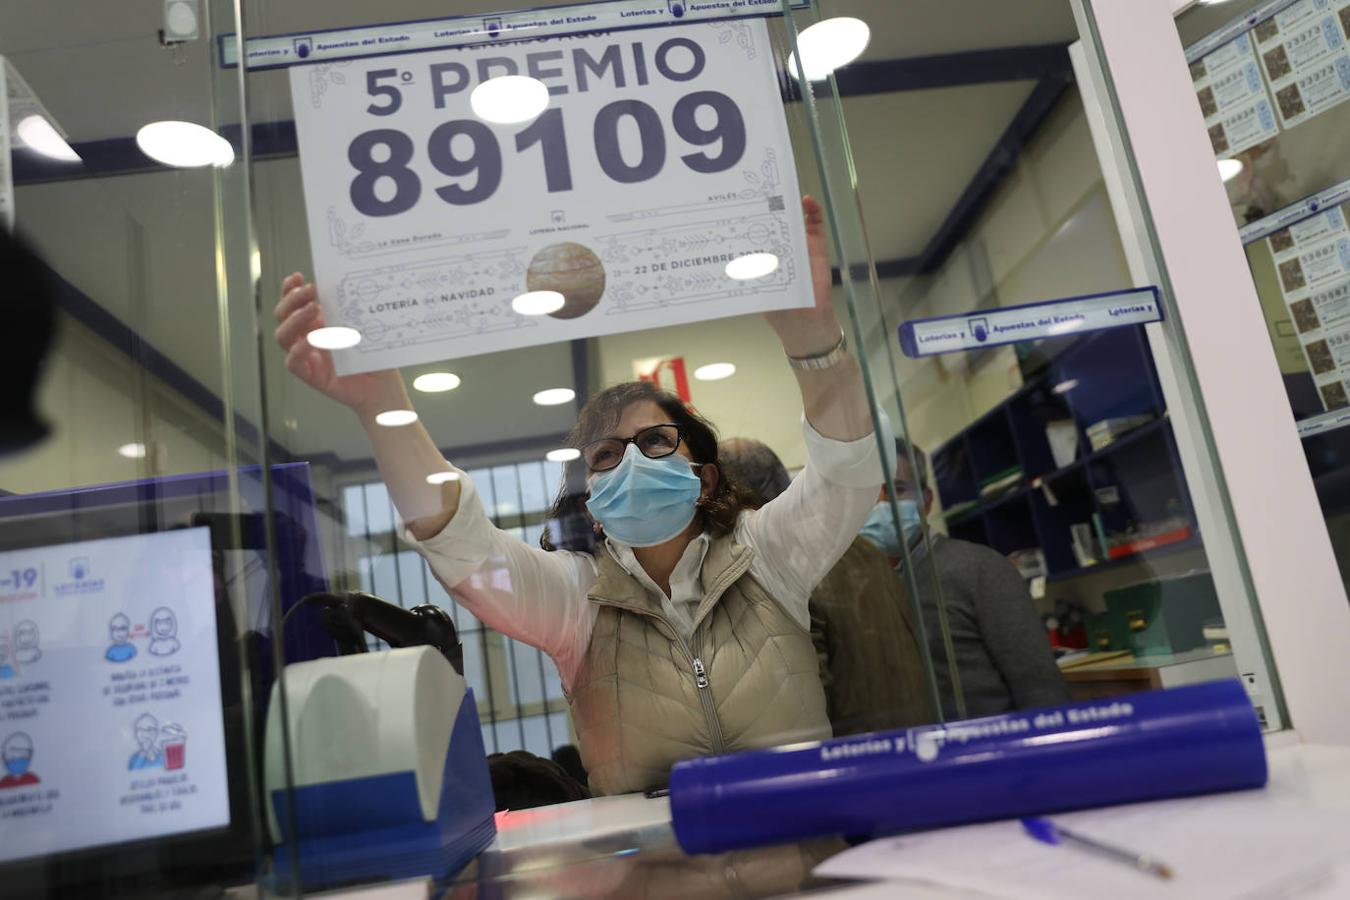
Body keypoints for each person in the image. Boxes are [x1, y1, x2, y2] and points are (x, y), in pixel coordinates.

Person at [275, 197, 888, 796]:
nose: (631, 462)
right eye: (606, 455)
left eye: (654, 440)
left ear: (702, 478)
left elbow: (848, 473)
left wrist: (814, 338)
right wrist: (381, 404)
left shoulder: (769, 553)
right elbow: (463, 550)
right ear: (595, 505)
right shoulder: (575, 601)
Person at [719, 438, 935, 735]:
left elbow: (799, 716)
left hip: (848, 767)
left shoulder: (776, 569)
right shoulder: (865, 550)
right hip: (904, 752)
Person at [861, 440, 1068, 718]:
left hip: (990, 752)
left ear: (927, 500)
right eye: (869, 494)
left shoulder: (982, 569)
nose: (881, 505)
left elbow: (1043, 693)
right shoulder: (856, 587)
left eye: (898, 490)